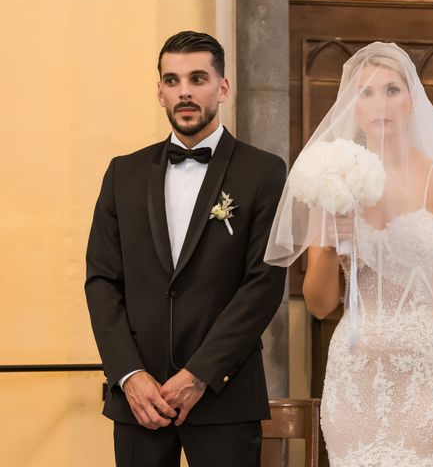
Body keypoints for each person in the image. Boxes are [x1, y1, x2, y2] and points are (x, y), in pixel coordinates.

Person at [265, 42, 433, 466]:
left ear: (412, 101)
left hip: (428, 378)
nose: (380, 104)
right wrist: (329, 243)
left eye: (392, 90)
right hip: (352, 382)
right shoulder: (336, 184)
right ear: (353, 108)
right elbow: (321, 304)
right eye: (367, 93)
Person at [85, 31, 287, 467]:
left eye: (198, 78)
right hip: (140, 404)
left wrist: (200, 375)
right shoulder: (123, 174)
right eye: (172, 81)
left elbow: (264, 283)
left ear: (223, 86)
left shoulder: (264, 172)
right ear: (159, 91)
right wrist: (130, 375)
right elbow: (102, 280)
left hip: (224, 397)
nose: (185, 92)